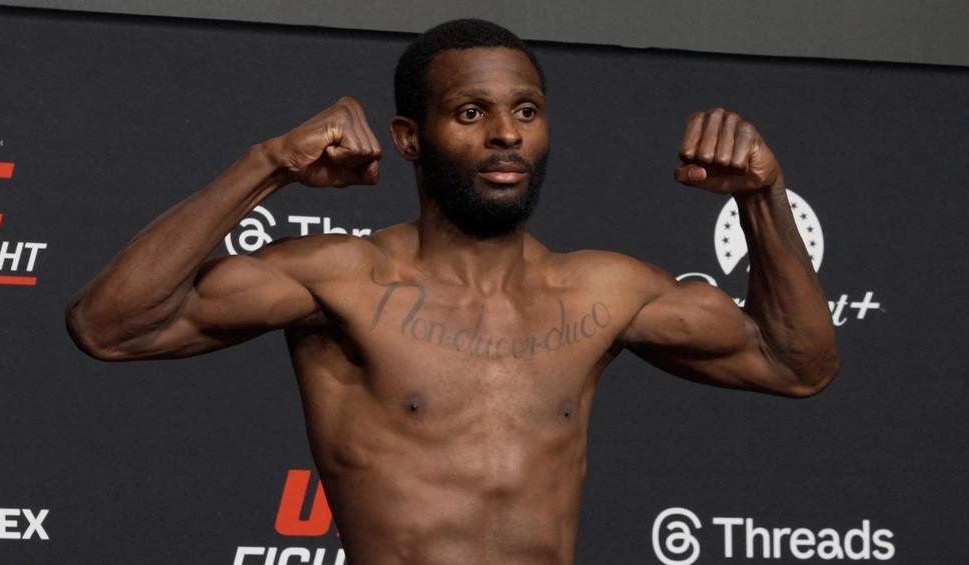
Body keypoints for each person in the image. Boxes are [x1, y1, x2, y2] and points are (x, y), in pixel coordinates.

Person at [66, 18, 837, 565]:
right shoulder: (342, 280)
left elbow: (796, 364)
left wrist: (761, 195)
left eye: (526, 111)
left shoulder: (601, 291)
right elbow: (110, 325)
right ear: (409, 138)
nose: (506, 133)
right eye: (472, 112)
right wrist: (268, 164)